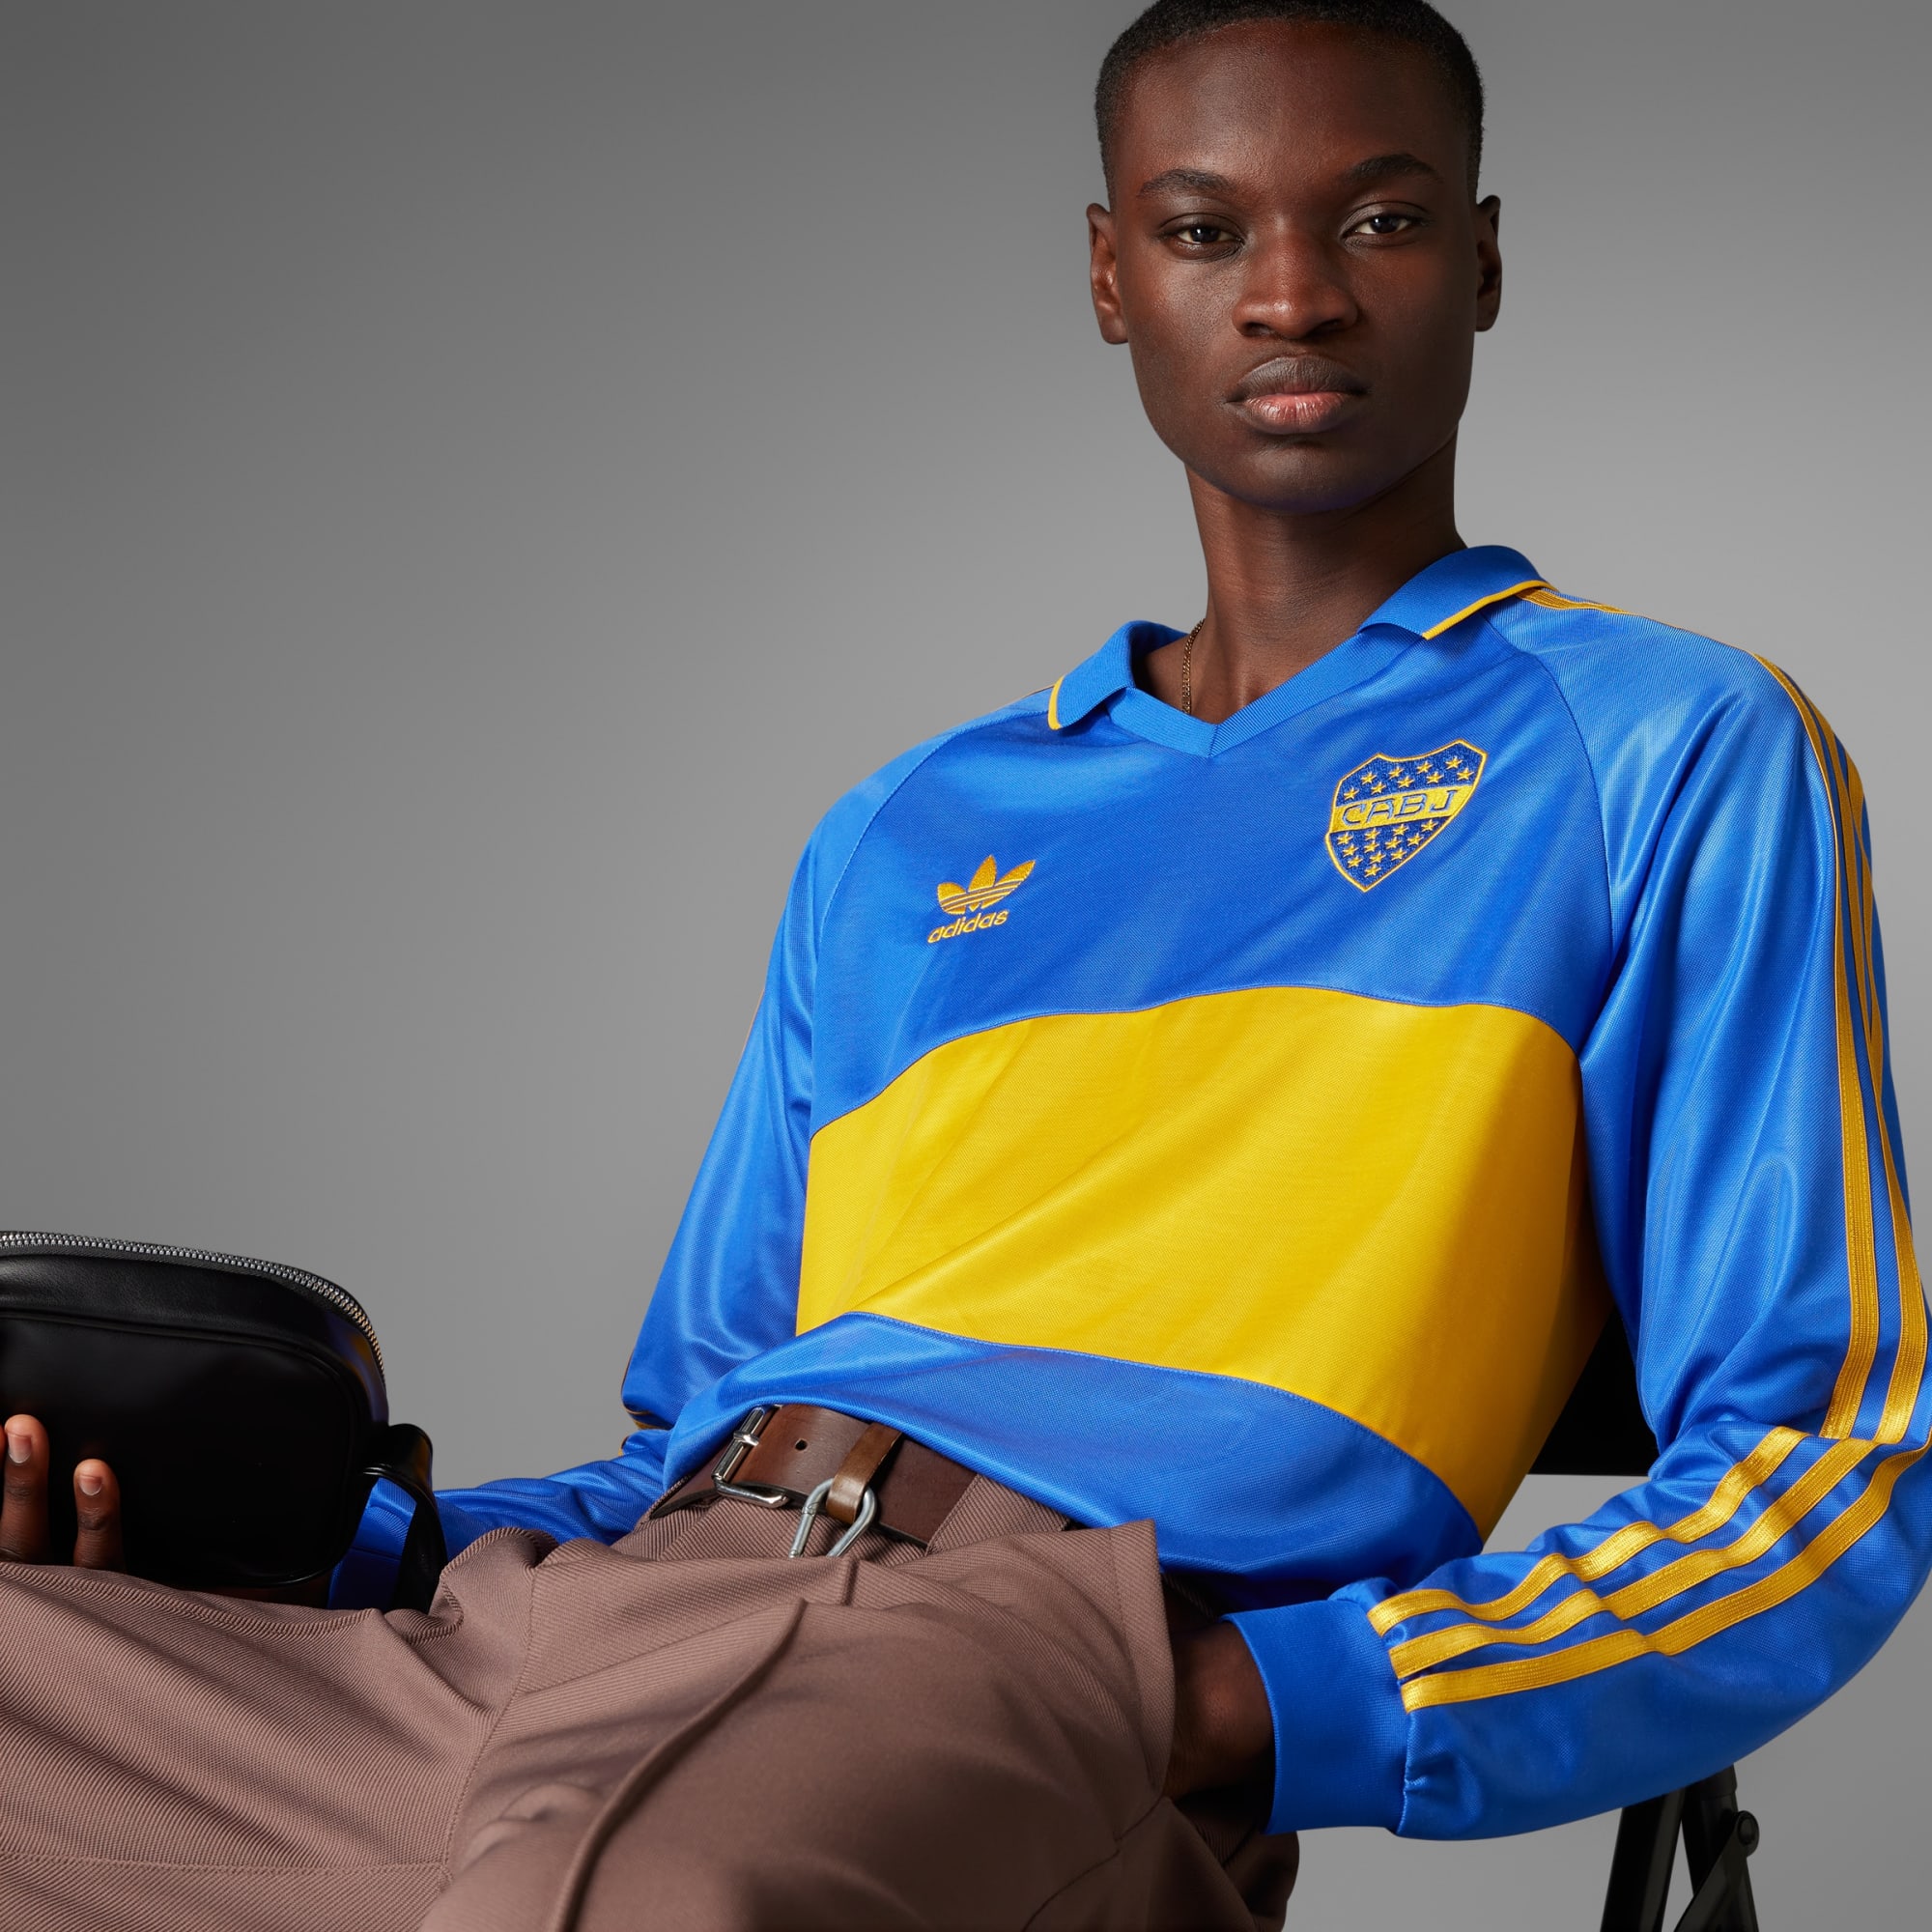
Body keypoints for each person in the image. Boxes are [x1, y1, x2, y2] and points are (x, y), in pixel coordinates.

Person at [3, 2, 1925, 1925]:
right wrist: (276, 1531)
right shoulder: (902, 833)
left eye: (1380, 220)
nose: (1292, 296)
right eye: (1202, 230)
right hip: (574, 1629)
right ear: (1110, 274)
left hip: (1008, 1678)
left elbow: (1821, 1448)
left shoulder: (1666, 747)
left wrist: (1249, 1702)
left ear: (1482, 261)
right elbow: (683, 1438)